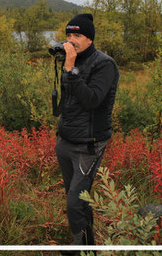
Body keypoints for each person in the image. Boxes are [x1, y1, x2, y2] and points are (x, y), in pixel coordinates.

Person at [54, 13, 119, 246]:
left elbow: (92, 100)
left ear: (90, 39)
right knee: (78, 201)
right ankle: (84, 244)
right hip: (66, 141)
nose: (72, 40)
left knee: (74, 202)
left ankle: (82, 248)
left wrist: (70, 68)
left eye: (77, 35)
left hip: (88, 144)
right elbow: (69, 100)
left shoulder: (105, 64)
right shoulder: (75, 60)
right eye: (69, 35)